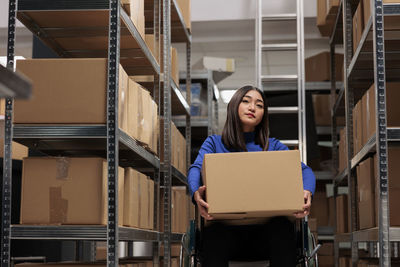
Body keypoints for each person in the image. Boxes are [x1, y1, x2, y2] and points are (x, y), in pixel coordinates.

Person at [187, 85, 316, 267]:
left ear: (263, 114)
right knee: (215, 232)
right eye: (246, 101)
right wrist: (195, 193)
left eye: (259, 105)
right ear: (234, 106)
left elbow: (305, 171)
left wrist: (307, 192)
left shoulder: (273, 146)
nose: (252, 107)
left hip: (267, 236)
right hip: (225, 235)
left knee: (282, 227)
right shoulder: (214, 143)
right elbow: (196, 168)